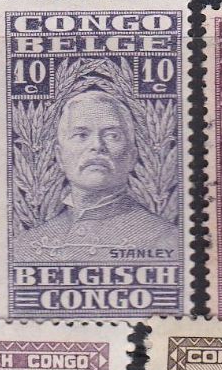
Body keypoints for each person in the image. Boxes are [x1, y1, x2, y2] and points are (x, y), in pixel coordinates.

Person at [15, 84, 180, 262]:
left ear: (132, 157)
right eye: (81, 135)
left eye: (112, 136)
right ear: (60, 156)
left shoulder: (167, 239)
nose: (97, 146)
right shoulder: (25, 247)